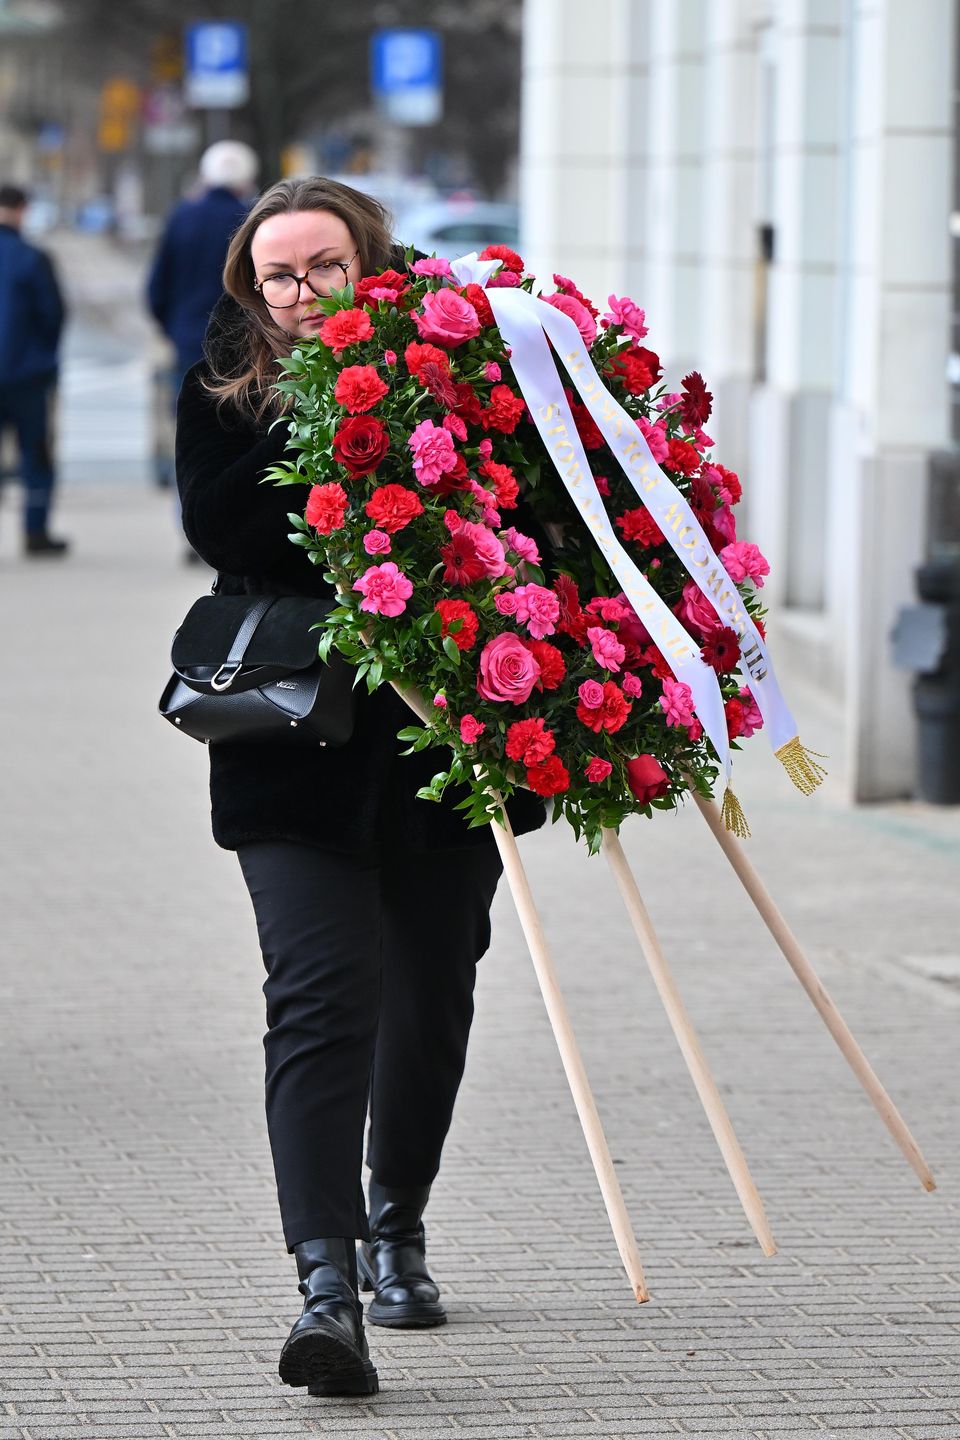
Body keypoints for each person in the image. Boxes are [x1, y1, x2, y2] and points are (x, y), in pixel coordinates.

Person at [174, 176, 545, 1398]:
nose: (298, 294)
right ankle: (324, 1289)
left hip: (444, 749)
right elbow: (232, 533)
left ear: (369, 260)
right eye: (276, 276)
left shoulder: (466, 373)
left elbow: (529, 518)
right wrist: (336, 426)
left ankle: (399, 1222)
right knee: (322, 995)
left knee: (431, 994)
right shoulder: (228, 390)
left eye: (321, 267)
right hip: (293, 750)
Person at [147, 140, 259, 490]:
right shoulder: (252, 219)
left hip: (187, 339)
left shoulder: (181, 217)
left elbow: (156, 287)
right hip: (244, 343)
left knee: (190, 429)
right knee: (241, 431)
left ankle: (188, 517)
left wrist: (172, 327)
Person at [0, 183, 68, 556]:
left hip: (24, 370)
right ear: (22, 210)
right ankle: (35, 532)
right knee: (35, 456)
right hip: (26, 375)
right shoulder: (32, 258)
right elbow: (52, 316)